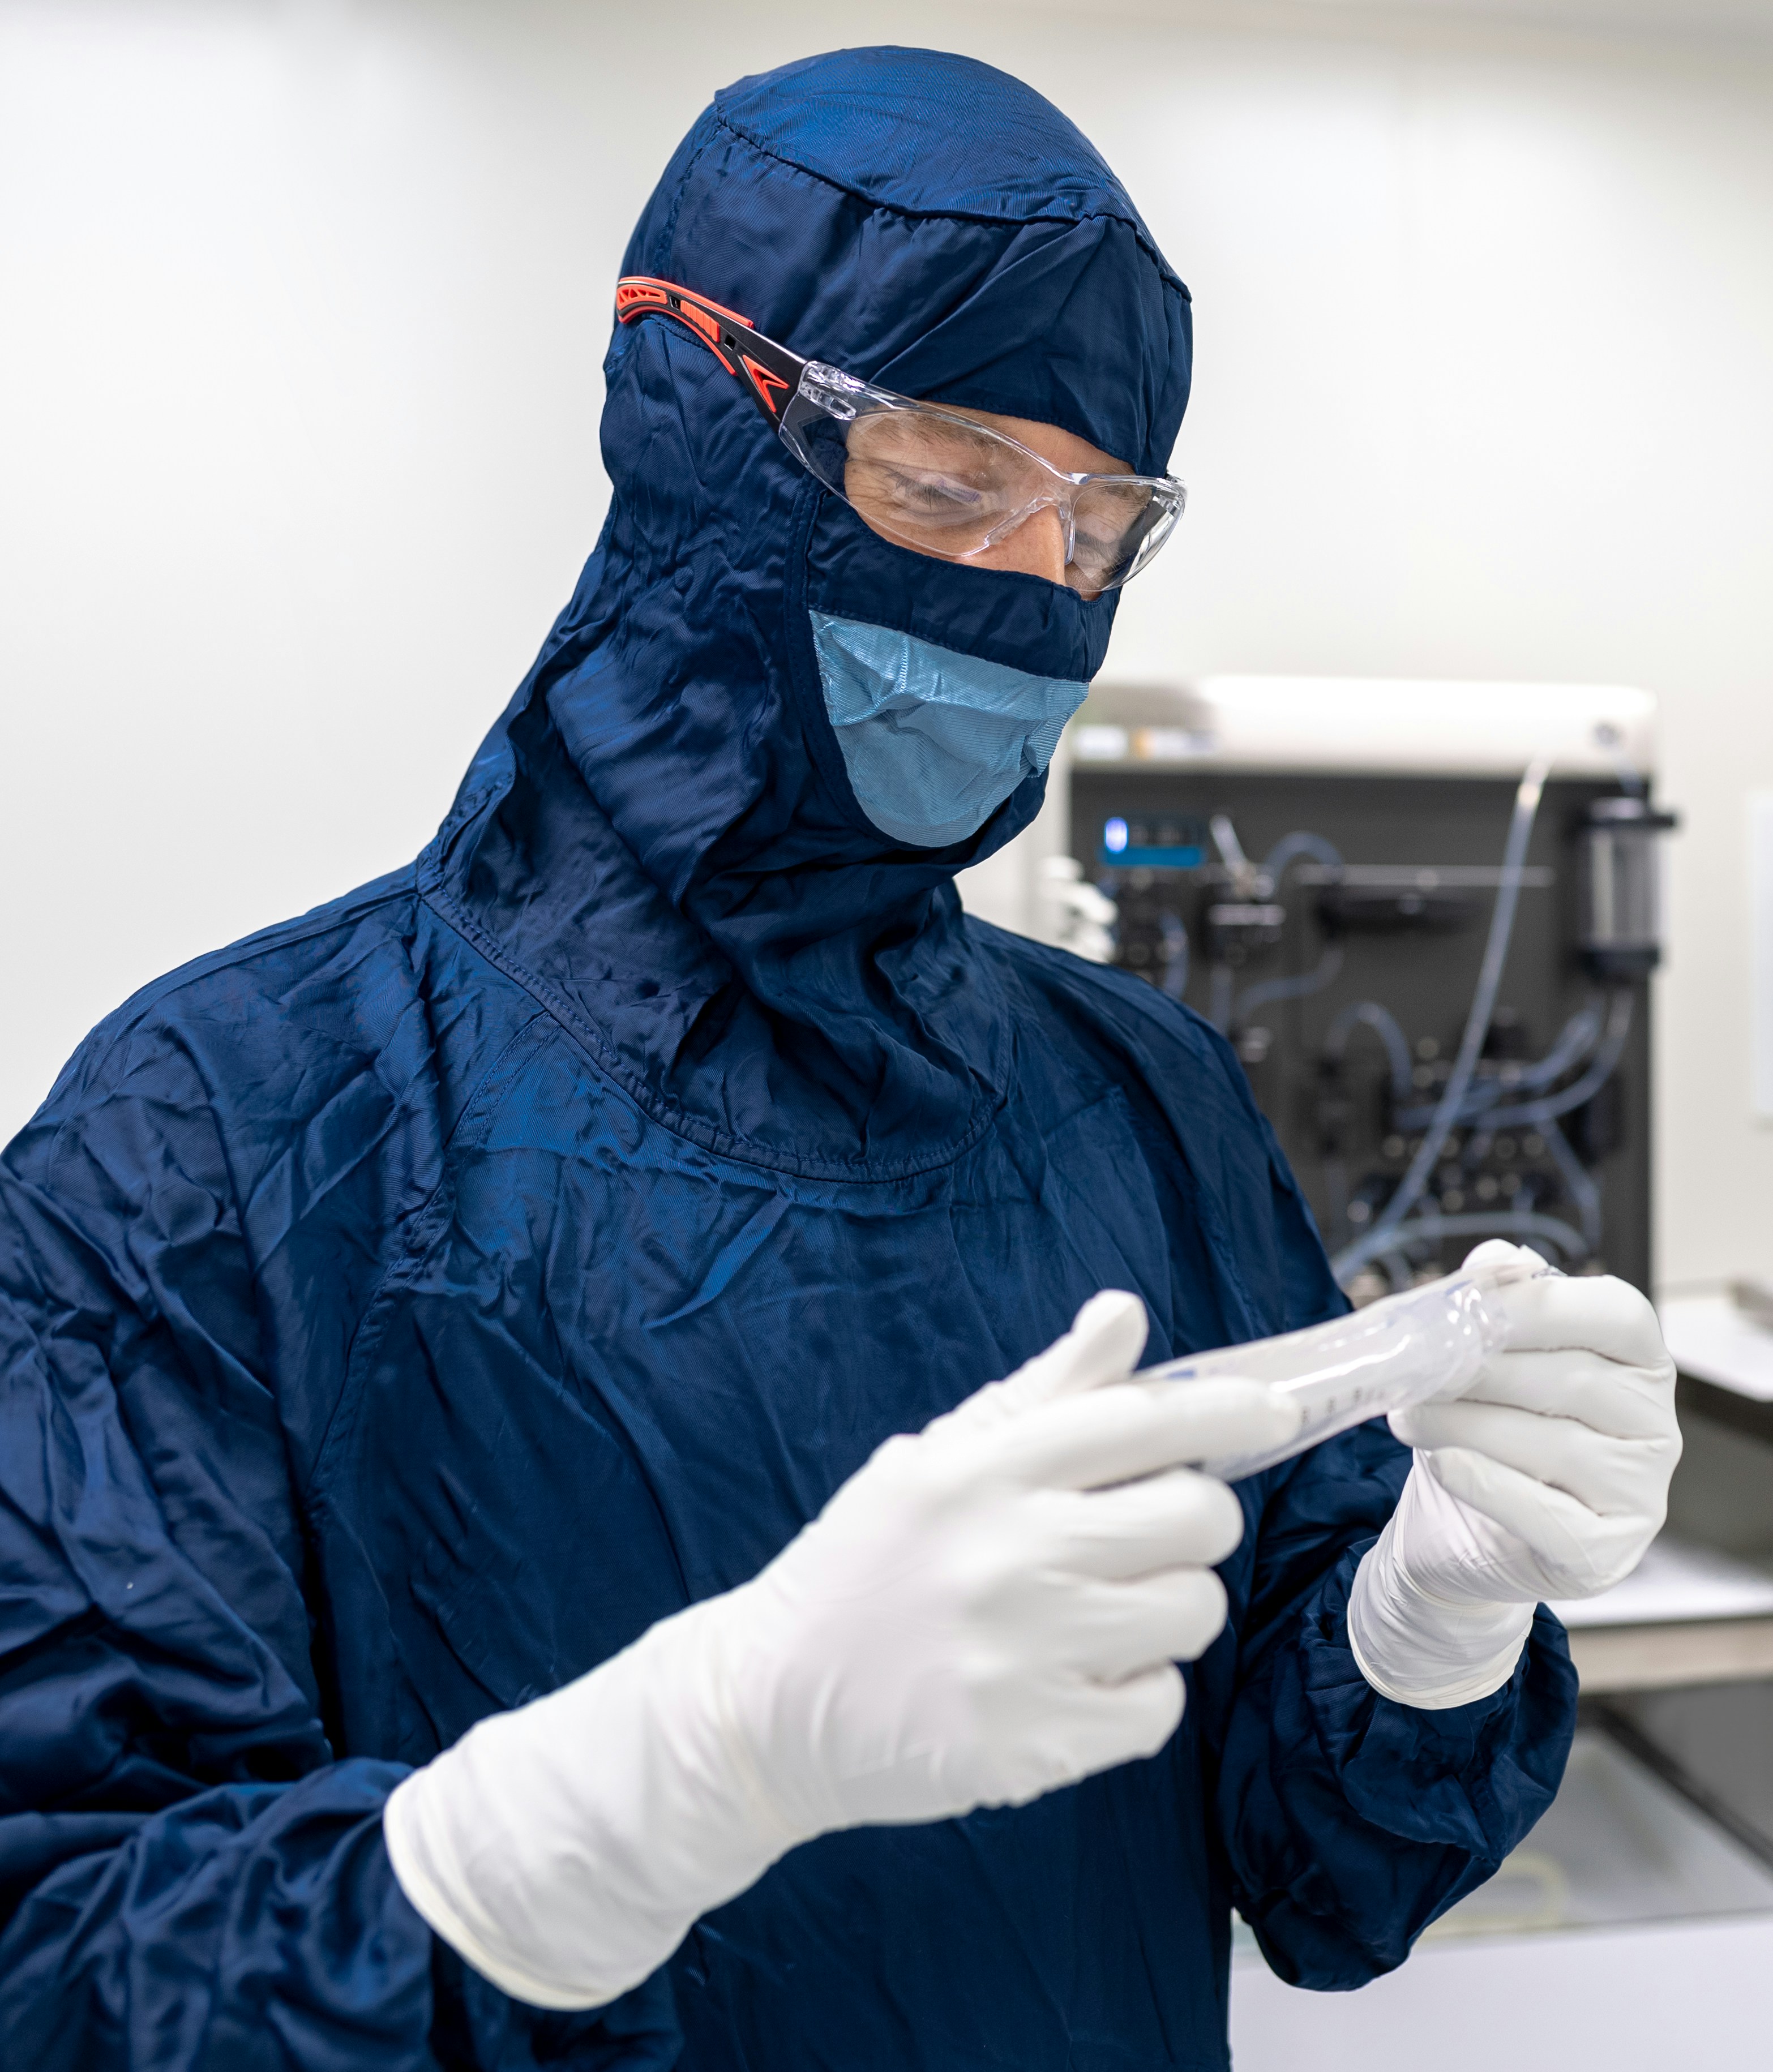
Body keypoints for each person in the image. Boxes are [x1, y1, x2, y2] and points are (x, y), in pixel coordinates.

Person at [0, 48, 1680, 2071]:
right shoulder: (228, 1127)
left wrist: (1431, 1616)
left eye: (1094, 527)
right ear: (697, 417)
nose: (1021, 589)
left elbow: (1319, 1883)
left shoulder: (1143, 1101)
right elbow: (71, 1966)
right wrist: (627, 1799)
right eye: (948, 483)